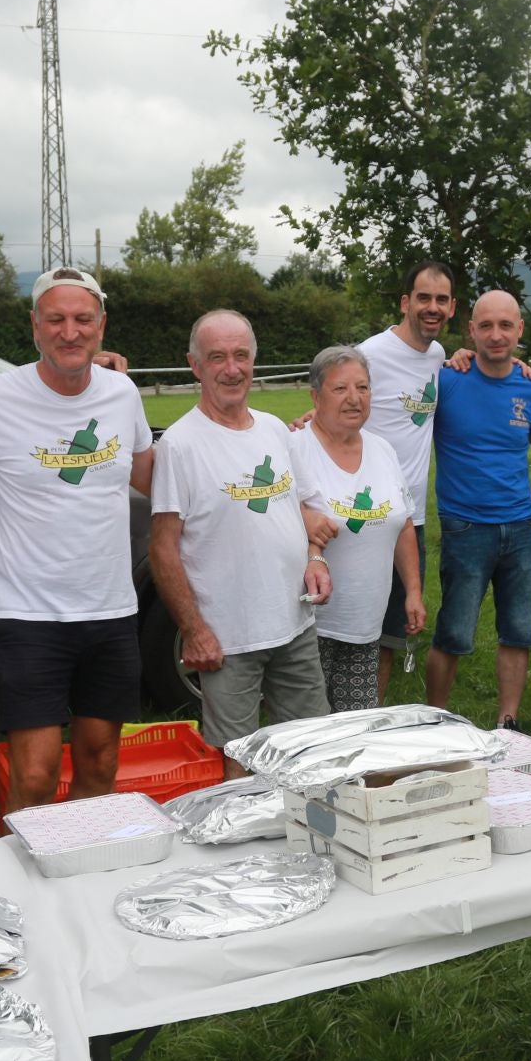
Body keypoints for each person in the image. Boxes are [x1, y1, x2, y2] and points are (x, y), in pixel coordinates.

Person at [0, 267, 153, 816]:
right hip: (29, 614)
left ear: (101, 327)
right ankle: (19, 888)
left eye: (83, 319)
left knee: (100, 763)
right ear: (34, 326)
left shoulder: (121, 393)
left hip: (110, 609)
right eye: (56, 319)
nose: (70, 332)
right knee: (34, 777)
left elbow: (151, 476)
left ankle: (75, 877)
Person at [149, 311, 331, 770]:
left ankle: (305, 839)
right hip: (227, 639)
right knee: (240, 767)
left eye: (241, 356)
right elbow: (163, 548)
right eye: (217, 357)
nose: (231, 369)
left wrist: (316, 560)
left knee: (310, 751)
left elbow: (303, 512)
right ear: (195, 365)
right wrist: (194, 631)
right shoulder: (180, 445)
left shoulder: (274, 430)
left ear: (254, 360)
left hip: (295, 625)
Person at [425, 291, 531, 729]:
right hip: (465, 527)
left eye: (506, 326)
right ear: (471, 330)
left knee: (519, 630)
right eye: (486, 326)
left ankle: (507, 722)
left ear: (519, 330)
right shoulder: (447, 381)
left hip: (521, 527)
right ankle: (433, 717)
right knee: (454, 633)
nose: (496, 335)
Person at [292, 345, 425, 712]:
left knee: (355, 730)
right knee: (308, 733)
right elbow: (275, 522)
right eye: (340, 389)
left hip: (367, 626)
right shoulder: (295, 448)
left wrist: (412, 591)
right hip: (309, 627)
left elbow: (403, 525)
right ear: (315, 396)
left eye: (363, 388)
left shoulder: (383, 450)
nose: (354, 398)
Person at [356, 262, 455, 696]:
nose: (431, 308)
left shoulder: (437, 357)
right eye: (423, 298)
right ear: (405, 303)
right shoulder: (371, 354)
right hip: (362, 512)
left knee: (388, 635)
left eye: (440, 300)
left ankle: (369, 719)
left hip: (408, 518)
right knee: (351, 630)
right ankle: (334, 719)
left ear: (451, 307)